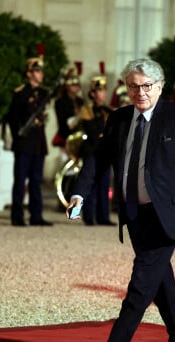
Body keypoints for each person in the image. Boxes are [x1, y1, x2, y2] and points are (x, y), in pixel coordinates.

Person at [66, 58, 175, 342]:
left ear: (160, 87)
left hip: (168, 216)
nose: (141, 93)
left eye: (147, 86)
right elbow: (97, 160)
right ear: (127, 88)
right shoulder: (119, 119)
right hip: (135, 214)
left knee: (140, 284)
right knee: (159, 282)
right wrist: (79, 193)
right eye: (134, 86)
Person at [7, 44, 53, 227]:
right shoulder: (20, 93)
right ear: (29, 73)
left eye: (41, 71)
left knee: (36, 181)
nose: (40, 74)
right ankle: (17, 216)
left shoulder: (44, 93)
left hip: (38, 143)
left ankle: (36, 215)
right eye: (36, 71)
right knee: (20, 181)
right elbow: (12, 118)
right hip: (24, 143)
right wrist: (18, 136)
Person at [78, 61, 115, 226]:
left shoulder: (110, 110)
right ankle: (88, 216)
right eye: (99, 90)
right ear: (92, 93)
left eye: (104, 89)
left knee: (104, 184)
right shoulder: (87, 109)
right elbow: (92, 130)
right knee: (90, 183)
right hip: (92, 150)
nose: (103, 93)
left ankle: (103, 216)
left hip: (105, 152)